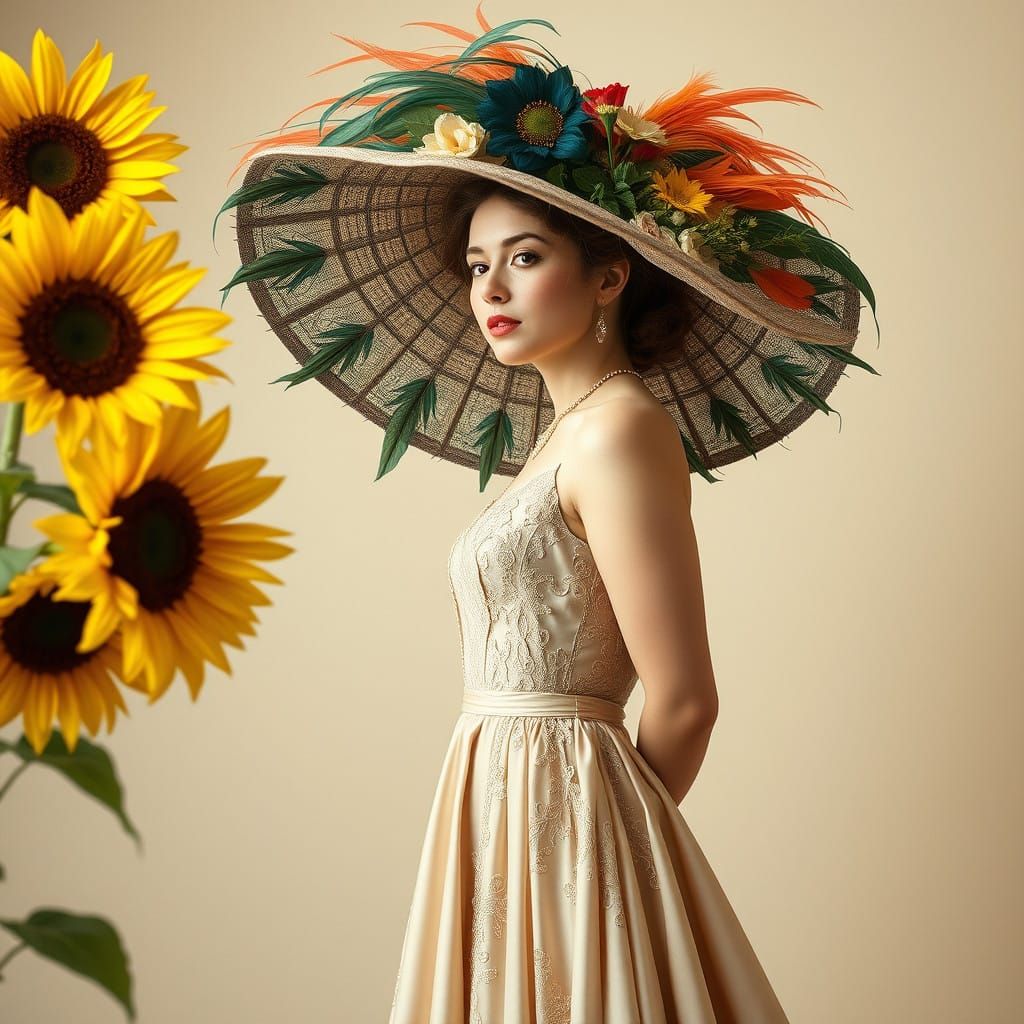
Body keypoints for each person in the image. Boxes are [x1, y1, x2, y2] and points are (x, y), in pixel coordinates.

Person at [218, 10, 875, 1019]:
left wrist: (601, 848)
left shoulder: (619, 431)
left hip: (561, 814)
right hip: (498, 799)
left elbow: (685, 699)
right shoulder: (564, 437)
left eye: (524, 257)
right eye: (477, 263)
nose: (490, 286)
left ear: (609, 274)